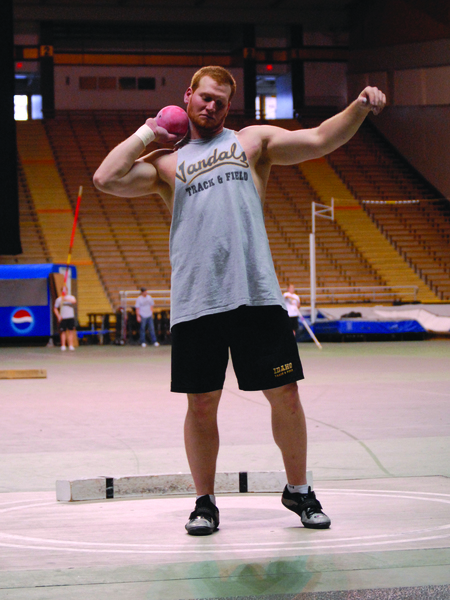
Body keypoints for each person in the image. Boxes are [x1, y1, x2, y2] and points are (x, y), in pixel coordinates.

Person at [94, 66, 386, 536]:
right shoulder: (166, 163)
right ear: (187, 97)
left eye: (221, 102)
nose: (212, 107)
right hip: (196, 300)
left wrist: (359, 106)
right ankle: (204, 503)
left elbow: (318, 140)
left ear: (230, 107)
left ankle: (298, 490)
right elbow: (105, 178)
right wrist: (149, 130)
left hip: (255, 293)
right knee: (202, 404)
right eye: (205, 98)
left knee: (285, 395)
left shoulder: (252, 142)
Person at [53, 285, 77, 351]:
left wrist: (65, 299)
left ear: (67, 290)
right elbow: (55, 308)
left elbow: (74, 301)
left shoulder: (71, 297)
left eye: (65, 290)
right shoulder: (58, 299)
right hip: (63, 318)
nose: (65, 291)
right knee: (63, 332)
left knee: (71, 331)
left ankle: (71, 345)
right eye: (63, 290)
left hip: (70, 317)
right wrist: (58, 316)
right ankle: (63, 345)